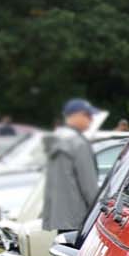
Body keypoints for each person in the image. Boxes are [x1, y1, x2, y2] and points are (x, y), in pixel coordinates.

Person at [42, 99, 102, 234]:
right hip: (78, 217)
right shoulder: (78, 143)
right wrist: (99, 212)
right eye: (88, 115)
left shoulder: (57, 138)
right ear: (76, 115)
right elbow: (89, 185)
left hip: (60, 215)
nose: (91, 120)